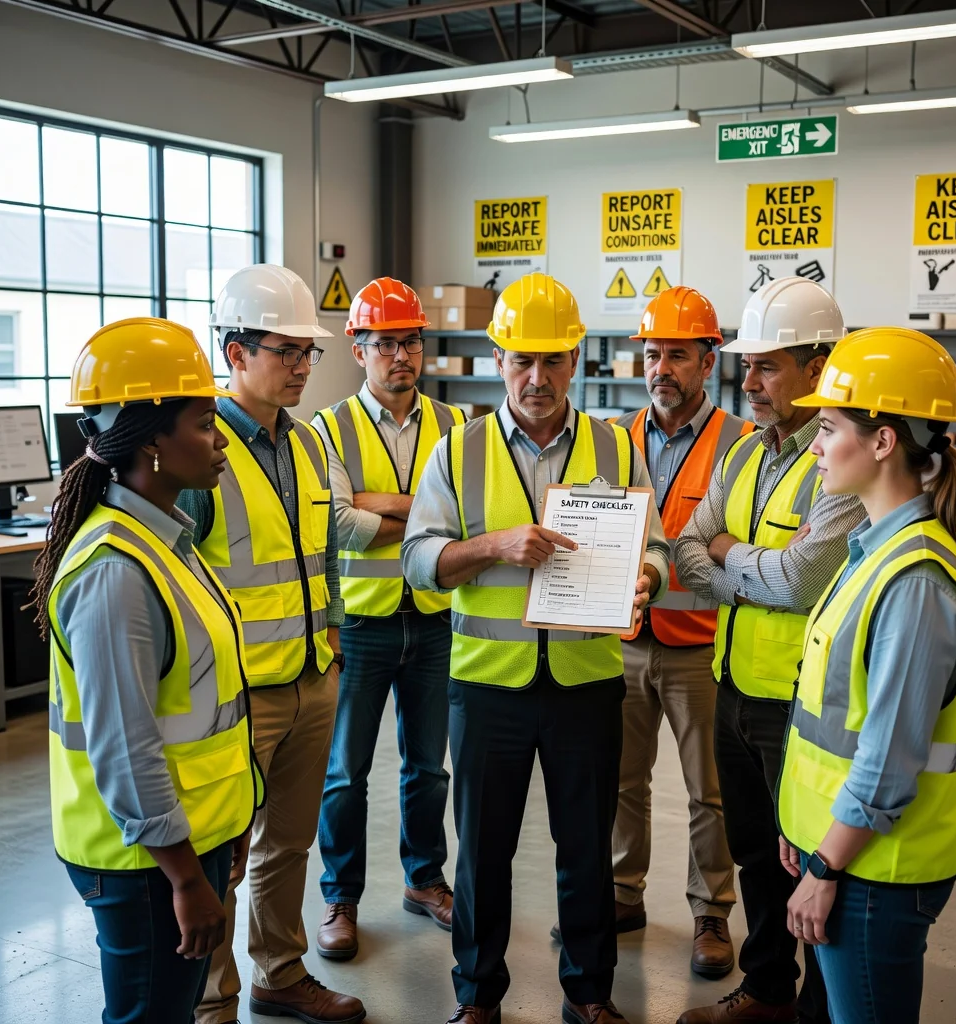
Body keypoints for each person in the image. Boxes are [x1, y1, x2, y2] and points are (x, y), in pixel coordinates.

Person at [402, 273, 673, 1024]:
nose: (537, 377)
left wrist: (645, 576)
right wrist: (492, 545)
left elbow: (654, 545)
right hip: (488, 686)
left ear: (577, 358)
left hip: (587, 682)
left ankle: (589, 994)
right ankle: (477, 997)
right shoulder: (458, 453)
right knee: (483, 853)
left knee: (586, 847)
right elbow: (419, 561)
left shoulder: (617, 449)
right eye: (522, 360)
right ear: (497, 358)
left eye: (553, 360)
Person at [36, 317, 259, 1024]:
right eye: (203, 423)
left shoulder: (165, 538)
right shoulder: (116, 572)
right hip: (142, 866)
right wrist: (188, 878)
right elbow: (126, 748)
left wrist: (229, 831)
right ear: (151, 441)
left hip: (184, 843)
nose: (221, 439)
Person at [777, 328, 956, 1024]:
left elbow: (890, 759)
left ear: (882, 442)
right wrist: (802, 826)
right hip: (853, 855)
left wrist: (826, 867)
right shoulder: (876, 549)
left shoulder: (916, 581)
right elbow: (834, 714)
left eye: (831, 426)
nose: (814, 443)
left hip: (878, 872)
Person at [674, 277, 863, 1024]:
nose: (747, 382)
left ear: (818, 367)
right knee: (754, 853)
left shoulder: (842, 458)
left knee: (811, 865)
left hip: (803, 705)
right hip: (735, 689)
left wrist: (730, 560)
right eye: (746, 366)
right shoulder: (747, 453)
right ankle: (766, 989)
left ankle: (822, 1004)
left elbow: (804, 577)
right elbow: (691, 548)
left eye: (767, 366)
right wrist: (745, 566)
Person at [185, 265, 365, 1024]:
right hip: (235, 696)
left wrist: (331, 640)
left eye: (307, 353)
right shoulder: (198, 454)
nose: (299, 366)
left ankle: (280, 972)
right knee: (221, 856)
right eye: (283, 349)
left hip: (311, 677)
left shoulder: (312, 447)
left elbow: (320, 559)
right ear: (234, 351)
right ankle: (210, 1000)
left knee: (288, 843)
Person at [556, 287, 751, 974]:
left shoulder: (741, 444)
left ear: (707, 361)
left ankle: (710, 913)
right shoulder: (614, 440)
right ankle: (621, 891)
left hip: (698, 645)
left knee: (710, 789)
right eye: (651, 355)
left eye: (676, 355)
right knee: (621, 779)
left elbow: (733, 543)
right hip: (624, 641)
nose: (660, 368)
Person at [313, 278, 465, 959]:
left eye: (410, 341)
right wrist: (421, 510)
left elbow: (468, 519)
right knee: (344, 771)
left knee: (427, 768)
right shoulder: (328, 428)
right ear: (357, 347)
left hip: (436, 621)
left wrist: (385, 502)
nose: (399, 356)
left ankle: (424, 880)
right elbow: (339, 525)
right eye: (384, 343)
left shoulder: (458, 427)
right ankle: (340, 897)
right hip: (363, 626)